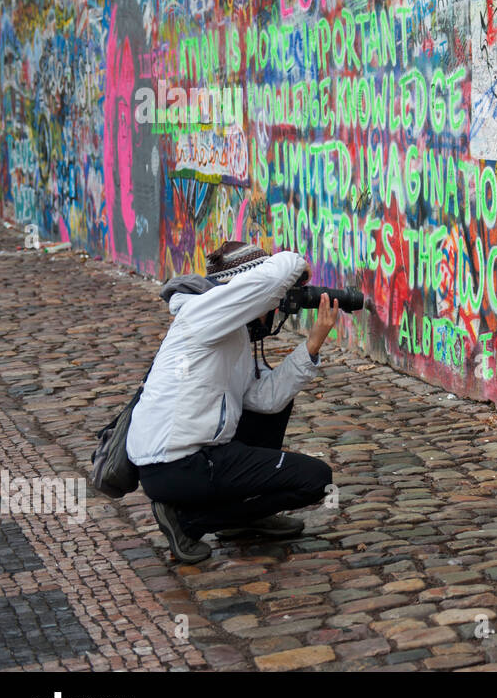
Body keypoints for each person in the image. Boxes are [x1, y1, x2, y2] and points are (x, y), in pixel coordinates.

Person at [127, 241, 339, 563]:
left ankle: (243, 519)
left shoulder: (232, 332)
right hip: (177, 463)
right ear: (240, 290)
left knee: (276, 410)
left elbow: (265, 400)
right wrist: (298, 264)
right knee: (316, 480)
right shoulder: (204, 312)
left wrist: (312, 345)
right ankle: (188, 522)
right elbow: (268, 280)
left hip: (190, 457)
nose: (274, 309)